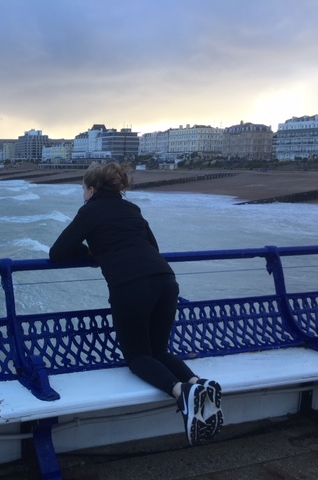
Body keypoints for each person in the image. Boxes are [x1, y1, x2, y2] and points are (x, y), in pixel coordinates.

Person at [49, 162, 223, 445]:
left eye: (84, 189)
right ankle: (198, 384)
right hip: (165, 279)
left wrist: (93, 253)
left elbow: (58, 252)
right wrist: (106, 249)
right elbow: (151, 247)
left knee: (139, 356)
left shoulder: (90, 210)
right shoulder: (132, 210)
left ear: (91, 189)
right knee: (159, 350)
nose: (84, 194)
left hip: (131, 285)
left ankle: (182, 394)